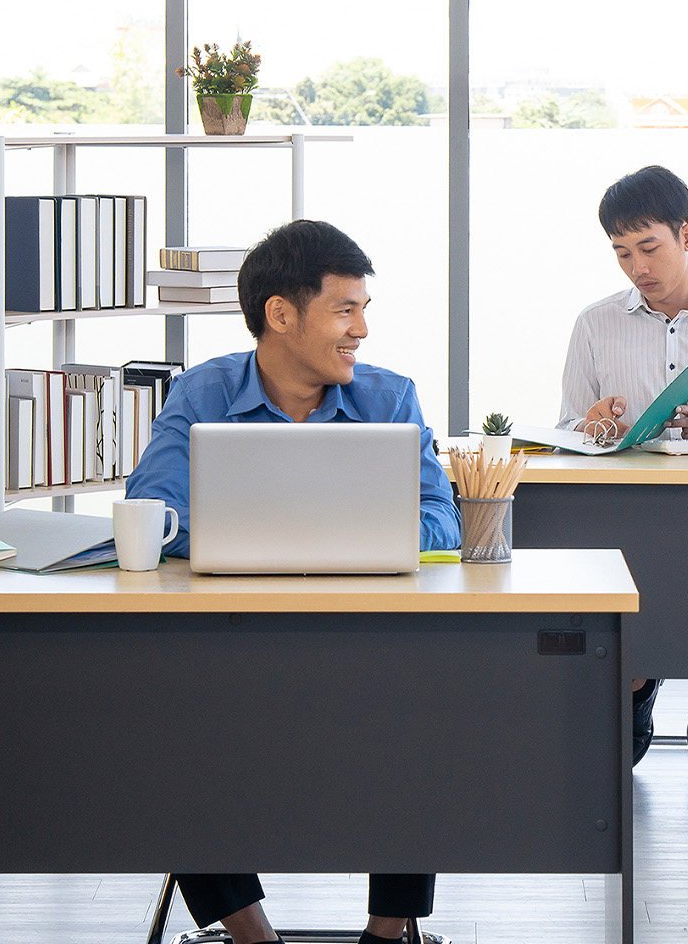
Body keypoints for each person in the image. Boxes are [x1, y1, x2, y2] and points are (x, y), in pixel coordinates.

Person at [127, 218, 461, 944]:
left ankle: (388, 930)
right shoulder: (201, 393)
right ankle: (250, 936)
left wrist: (350, 537)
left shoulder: (389, 398)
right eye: (346, 309)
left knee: (428, 704)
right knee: (167, 721)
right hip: (229, 643)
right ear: (281, 313)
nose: (362, 330)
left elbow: (445, 520)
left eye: (364, 310)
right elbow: (154, 512)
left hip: (370, 644)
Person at [556, 164, 688, 774]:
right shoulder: (596, 323)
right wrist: (594, 427)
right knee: (630, 561)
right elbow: (566, 431)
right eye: (621, 253)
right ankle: (638, 684)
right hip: (631, 508)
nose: (638, 268)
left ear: (687, 237)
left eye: (649, 247)